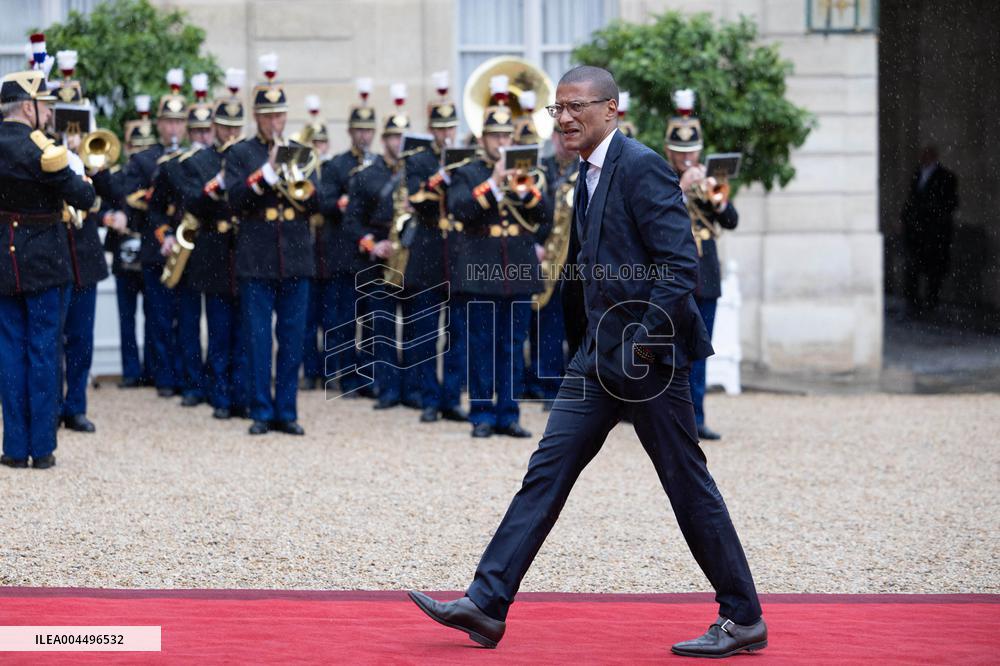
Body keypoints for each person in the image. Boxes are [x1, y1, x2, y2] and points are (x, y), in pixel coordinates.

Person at [408, 66, 766, 659]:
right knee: (545, 473)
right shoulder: (584, 172)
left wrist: (641, 340)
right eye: (558, 109)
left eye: (577, 107)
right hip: (597, 360)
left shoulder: (643, 165)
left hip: (647, 360)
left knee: (686, 483)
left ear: (612, 110)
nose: (566, 118)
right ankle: (487, 601)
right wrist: (585, 346)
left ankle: (745, 617)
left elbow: (679, 267)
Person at [0, 68, 96, 469]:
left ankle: (14, 447)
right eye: (45, 106)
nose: (49, 114)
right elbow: (85, 197)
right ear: (28, 106)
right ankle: (41, 448)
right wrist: (74, 164)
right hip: (43, 260)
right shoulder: (43, 150)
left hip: (4, 260)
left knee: (9, 352)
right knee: (43, 352)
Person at [447, 77, 549, 438]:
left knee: (512, 344)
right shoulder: (469, 172)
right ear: (482, 139)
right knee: (481, 345)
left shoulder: (527, 172)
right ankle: (481, 415)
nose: (503, 142)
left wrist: (526, 191)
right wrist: (492, 183)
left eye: (507, 136)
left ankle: (508, 413)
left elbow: (544, 217)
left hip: (518, 268)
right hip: (480, 268)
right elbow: (460, 209)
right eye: (495, 136)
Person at [225, 54, 320, 436]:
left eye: (280, 116)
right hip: (256, 255)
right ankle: (261, 410)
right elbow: (234, 199)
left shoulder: (300, 150)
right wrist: (264, 175)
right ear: (257, 117)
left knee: (293, 338)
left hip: (295, 255)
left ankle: (287, 410)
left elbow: (319, 203)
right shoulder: (241, 153)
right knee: (259, 338)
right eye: (268, 117)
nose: (275, 123)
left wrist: (299, 178)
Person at [664, 88, 739, 441]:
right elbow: (660, 218)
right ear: (669, 152)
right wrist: (681, 187)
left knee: (700, 350)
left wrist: (717, 199)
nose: (688, 158)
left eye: (692, 151)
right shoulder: (663, 178)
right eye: (680, 152)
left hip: (705, 276)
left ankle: (696, 417)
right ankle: (671, 418)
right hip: (675, 278)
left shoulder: (711, 181)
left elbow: (732, 220)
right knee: (672, 351)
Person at [177, 69, 248, 420]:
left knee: (246, 327)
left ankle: (242, 393)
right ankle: (220, 395)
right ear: (216, 127)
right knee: (219, 327)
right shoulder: (201, 162)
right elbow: (192, 203)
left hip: (246, 247)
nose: (232, 134)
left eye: (237, 127)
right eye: (225, 127)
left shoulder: (249, 155)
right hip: (215, 248)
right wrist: (218, 183)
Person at [51, 55, 110, 433]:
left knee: (82, 339)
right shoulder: (45, 152)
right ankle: (52, 405)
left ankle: (76, 406)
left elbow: (110, 193)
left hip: (84, 256)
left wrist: (89, 163)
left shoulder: (91, 154)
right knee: (51, 338)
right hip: (54, 255)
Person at [343, 85, 410, 410]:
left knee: (414, 326)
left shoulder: (416, 174)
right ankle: (386, 388)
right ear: (385, 140)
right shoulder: (367, 175)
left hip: (410, 257)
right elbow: (351, 222)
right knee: (380, 326)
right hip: (379, 258)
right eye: (394, 137)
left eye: (403, 137)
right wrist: (372, 244)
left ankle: (412, 389)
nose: (399, 143)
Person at [406, 71, 468, 424]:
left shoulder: (466, 158)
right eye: (441, 129)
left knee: (457, 332)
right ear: (432, 130)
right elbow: (418, 201)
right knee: (426, 332)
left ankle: (451, 398)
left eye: (450, 129)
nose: (446, 135)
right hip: (428, 249)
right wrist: (439, 176)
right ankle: (428, 397)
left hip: (458, 252)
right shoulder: (418, 160)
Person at [125, 69, 187, 398]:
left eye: (179, 122)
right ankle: (164, 376)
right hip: (156, 245)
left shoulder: (192, 156)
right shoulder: (144, 158)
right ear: (160, 125)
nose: (174, 128)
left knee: (186, 317)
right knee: (159, 314)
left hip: (188, 245)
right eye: (168, 122)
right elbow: (134, 198)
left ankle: (186, 373)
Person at [312, 79, 376, 397]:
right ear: (351, 132)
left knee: (374, 321)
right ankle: (347, 376)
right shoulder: (338, 165)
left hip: (373, 256)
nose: (364, 136)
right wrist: (341, 203)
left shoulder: (379, 164)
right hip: (344, 253)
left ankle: (368, 375)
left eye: (368, 130)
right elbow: (323, 201)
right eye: (359, 130)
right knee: (345, 320)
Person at [102, 99, 156, 389]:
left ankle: (151, 369)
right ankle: (131, 371)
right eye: (136, 150)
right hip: (124, 251)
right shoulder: (119, 178)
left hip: (148, 250)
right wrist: (113, 216)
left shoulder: (158, 176)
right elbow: (105, 204)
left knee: (153, 314)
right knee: (126, 316)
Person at [524, 121, 575, 406]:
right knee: (538, 322)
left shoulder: (584, 171)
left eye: (569, 135)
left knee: (558, 325)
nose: (564, 141)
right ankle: (534, 381)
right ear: (553, 137)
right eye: (560, 135)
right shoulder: (541, 168)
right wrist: (533, 244)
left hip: (571, 261)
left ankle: (554, 384)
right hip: (539, 254)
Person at [900, 145, 958, 316]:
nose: (922, 158)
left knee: (934, 269)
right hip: (916, 230)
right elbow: (911, 199)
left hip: (934, 231)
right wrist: (905, 219)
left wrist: (933, 217)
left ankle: (930, 301)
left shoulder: (946, 177)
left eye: (925, 155)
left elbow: (950, 203)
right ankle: (914, 302)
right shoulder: (918, 174)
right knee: (913, 266)